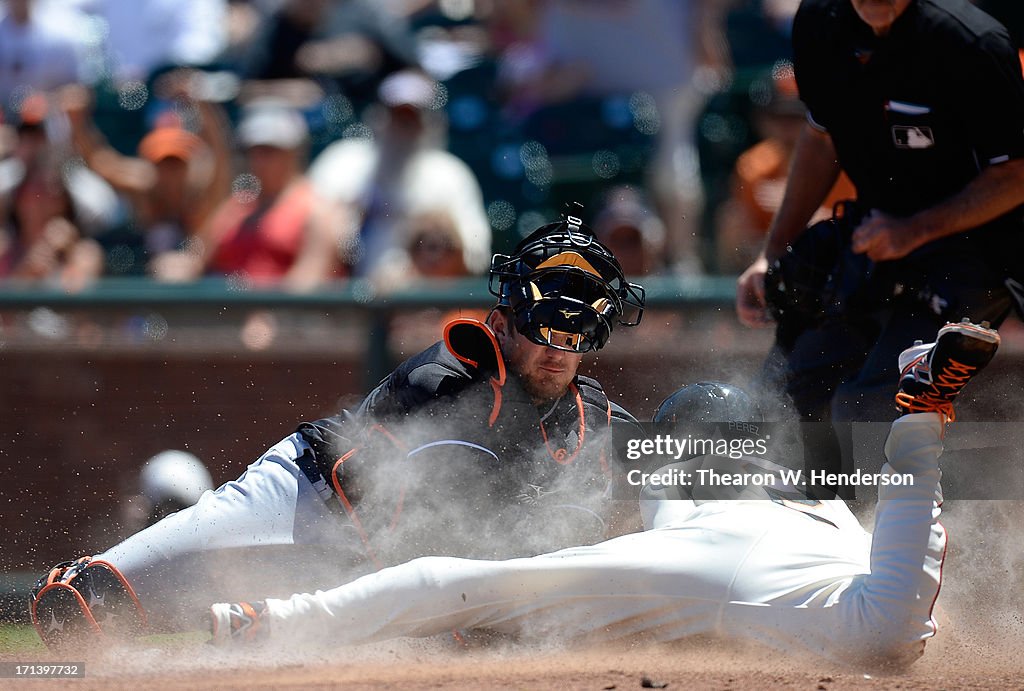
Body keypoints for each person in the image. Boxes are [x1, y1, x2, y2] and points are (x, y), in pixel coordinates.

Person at [207, 319, 1001, 671]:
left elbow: (626, 467)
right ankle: (919, 423)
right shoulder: (807, 484)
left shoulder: (671, 469)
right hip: (819, 551)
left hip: (713, 563)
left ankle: (268, 623)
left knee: (458, 585)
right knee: (890, 624)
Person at [29, 214, 647, 648]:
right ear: (507, 318)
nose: (560, 352)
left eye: (578, 336)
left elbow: (669, 454)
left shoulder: (582, 410)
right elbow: (379, 506)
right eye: (546, 329)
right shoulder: (444, 383)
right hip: (306, 500)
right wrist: (453, 613)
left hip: (372, 566)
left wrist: (732, 449)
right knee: (83, 604)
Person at [733, 0, 1024, 467]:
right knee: (790, 393)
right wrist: (771, 254)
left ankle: (904, 534)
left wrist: (914, 229)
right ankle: (812, 524)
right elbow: (820, 134)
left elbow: (1016, 174)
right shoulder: (820, 21)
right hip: (878, 234)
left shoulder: (972, 42)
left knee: (868, 409)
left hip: (976, 250)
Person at [308, 68, 492, 282]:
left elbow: (476, 255)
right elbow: (299, 231)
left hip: (420, 303)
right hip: (344, 298)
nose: (403, 127)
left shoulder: (449, 175)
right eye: (396, 116)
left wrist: (437, 234)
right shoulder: (343, 163)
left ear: (429, 123)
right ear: (379, 117)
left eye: (412, 118)